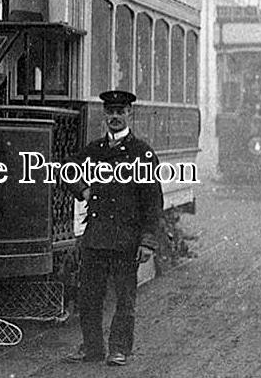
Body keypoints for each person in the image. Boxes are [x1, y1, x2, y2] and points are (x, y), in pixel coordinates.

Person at [64, 89, 163, 367]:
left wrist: (147, 241)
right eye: (110, 112)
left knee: (124, 299)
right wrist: (82, 189)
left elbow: (153, 201)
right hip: (95, 237)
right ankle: (92, 348)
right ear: (104, 115)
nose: (115, 117)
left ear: (129, 114)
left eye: (120, 112)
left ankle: (119, 349)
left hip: (125, 239)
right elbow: (66, 168)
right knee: (89, 298)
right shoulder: (94, 150)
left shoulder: (141, 152)